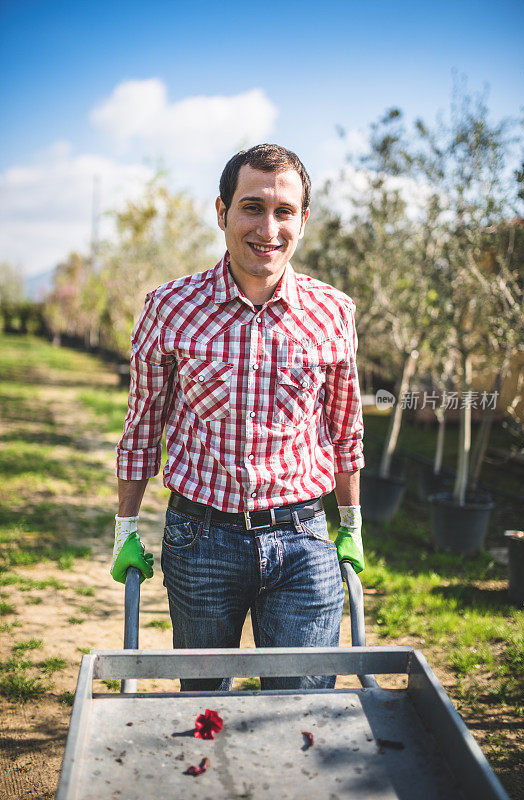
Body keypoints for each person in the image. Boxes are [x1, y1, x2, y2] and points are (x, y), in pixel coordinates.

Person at [111, 143, 365, 691]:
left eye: (284, 212)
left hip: (303, 540)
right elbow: (142, 429)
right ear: (222, 211)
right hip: (200, 540)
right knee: (205, 710)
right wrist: (125, 528)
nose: (267, 228)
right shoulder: (170, 308)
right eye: (252, 207)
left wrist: (352, 523)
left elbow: (345, 429)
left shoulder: (333, 312)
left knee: (303, 716)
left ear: (302, 220)